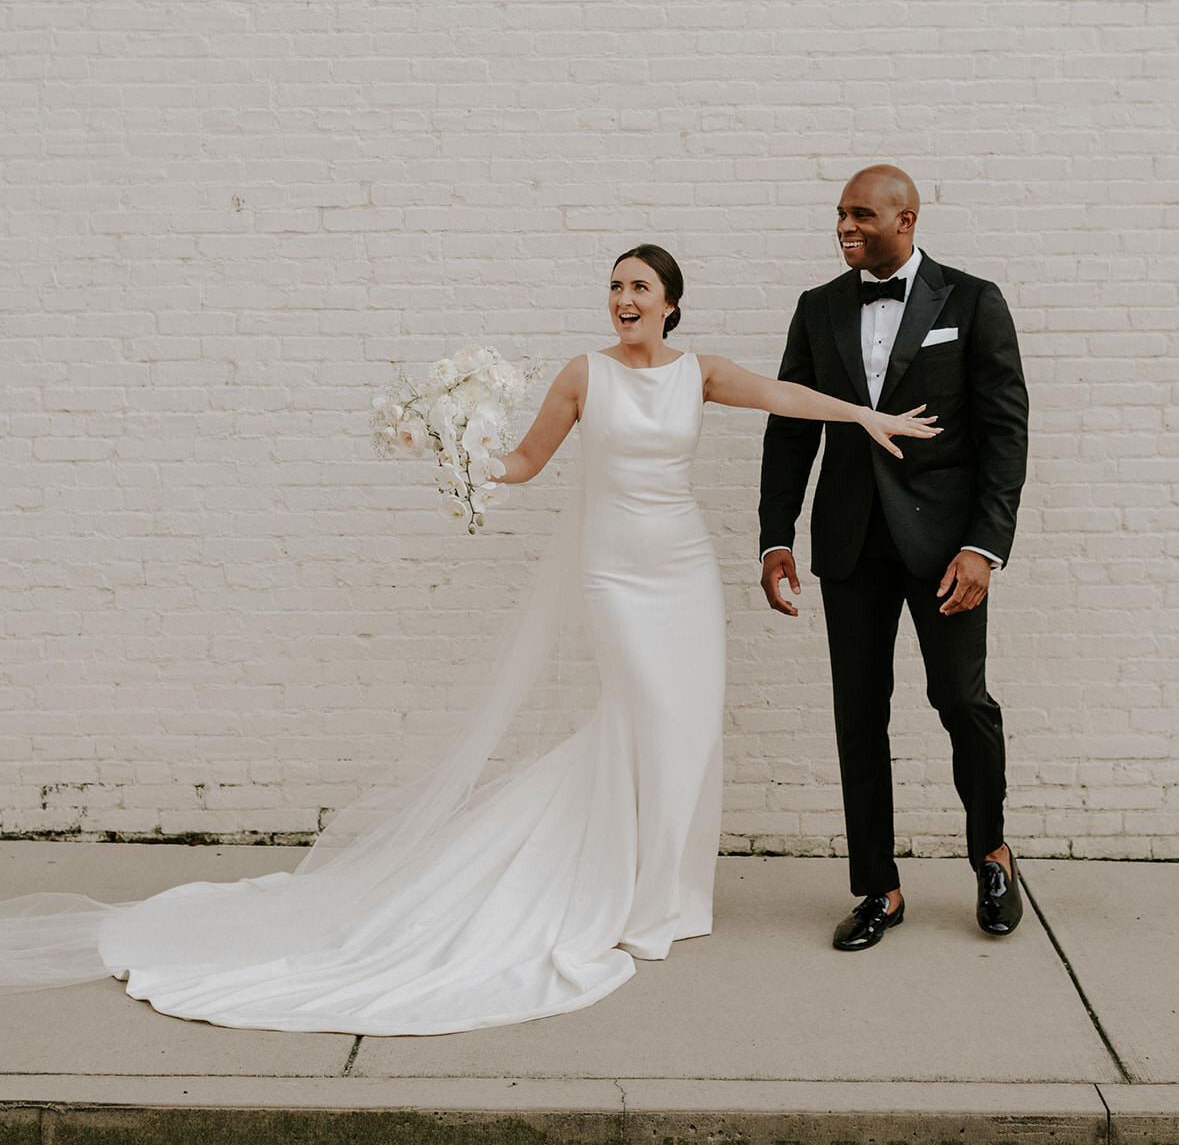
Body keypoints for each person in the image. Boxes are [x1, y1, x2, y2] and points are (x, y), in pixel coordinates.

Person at [0, 244, 937, 1033]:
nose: (622, 301)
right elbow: (524, 464)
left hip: (683, 569)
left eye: (638, 289)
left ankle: (670, 897)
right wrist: (443, 440)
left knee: (689, 728)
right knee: (644, 714)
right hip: (613, 574)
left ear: (672, 305)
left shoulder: (701, 373)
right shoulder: (584, 374)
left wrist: (861, 412)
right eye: (613, 288)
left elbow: (783, 395)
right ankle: (618, 893)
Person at [759, 168, 1029, 951]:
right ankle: (877, 887)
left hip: (946, 548)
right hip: (849, 544)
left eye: (860, 215)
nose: (844, 226)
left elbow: (1004, 430)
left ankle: (990, 854)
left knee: (960, 700)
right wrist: (776, 534)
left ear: (905, 219)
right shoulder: (818, 309)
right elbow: (789, 426)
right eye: (839, 215)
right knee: (858, 716)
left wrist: (983, 546)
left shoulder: (971, 300)